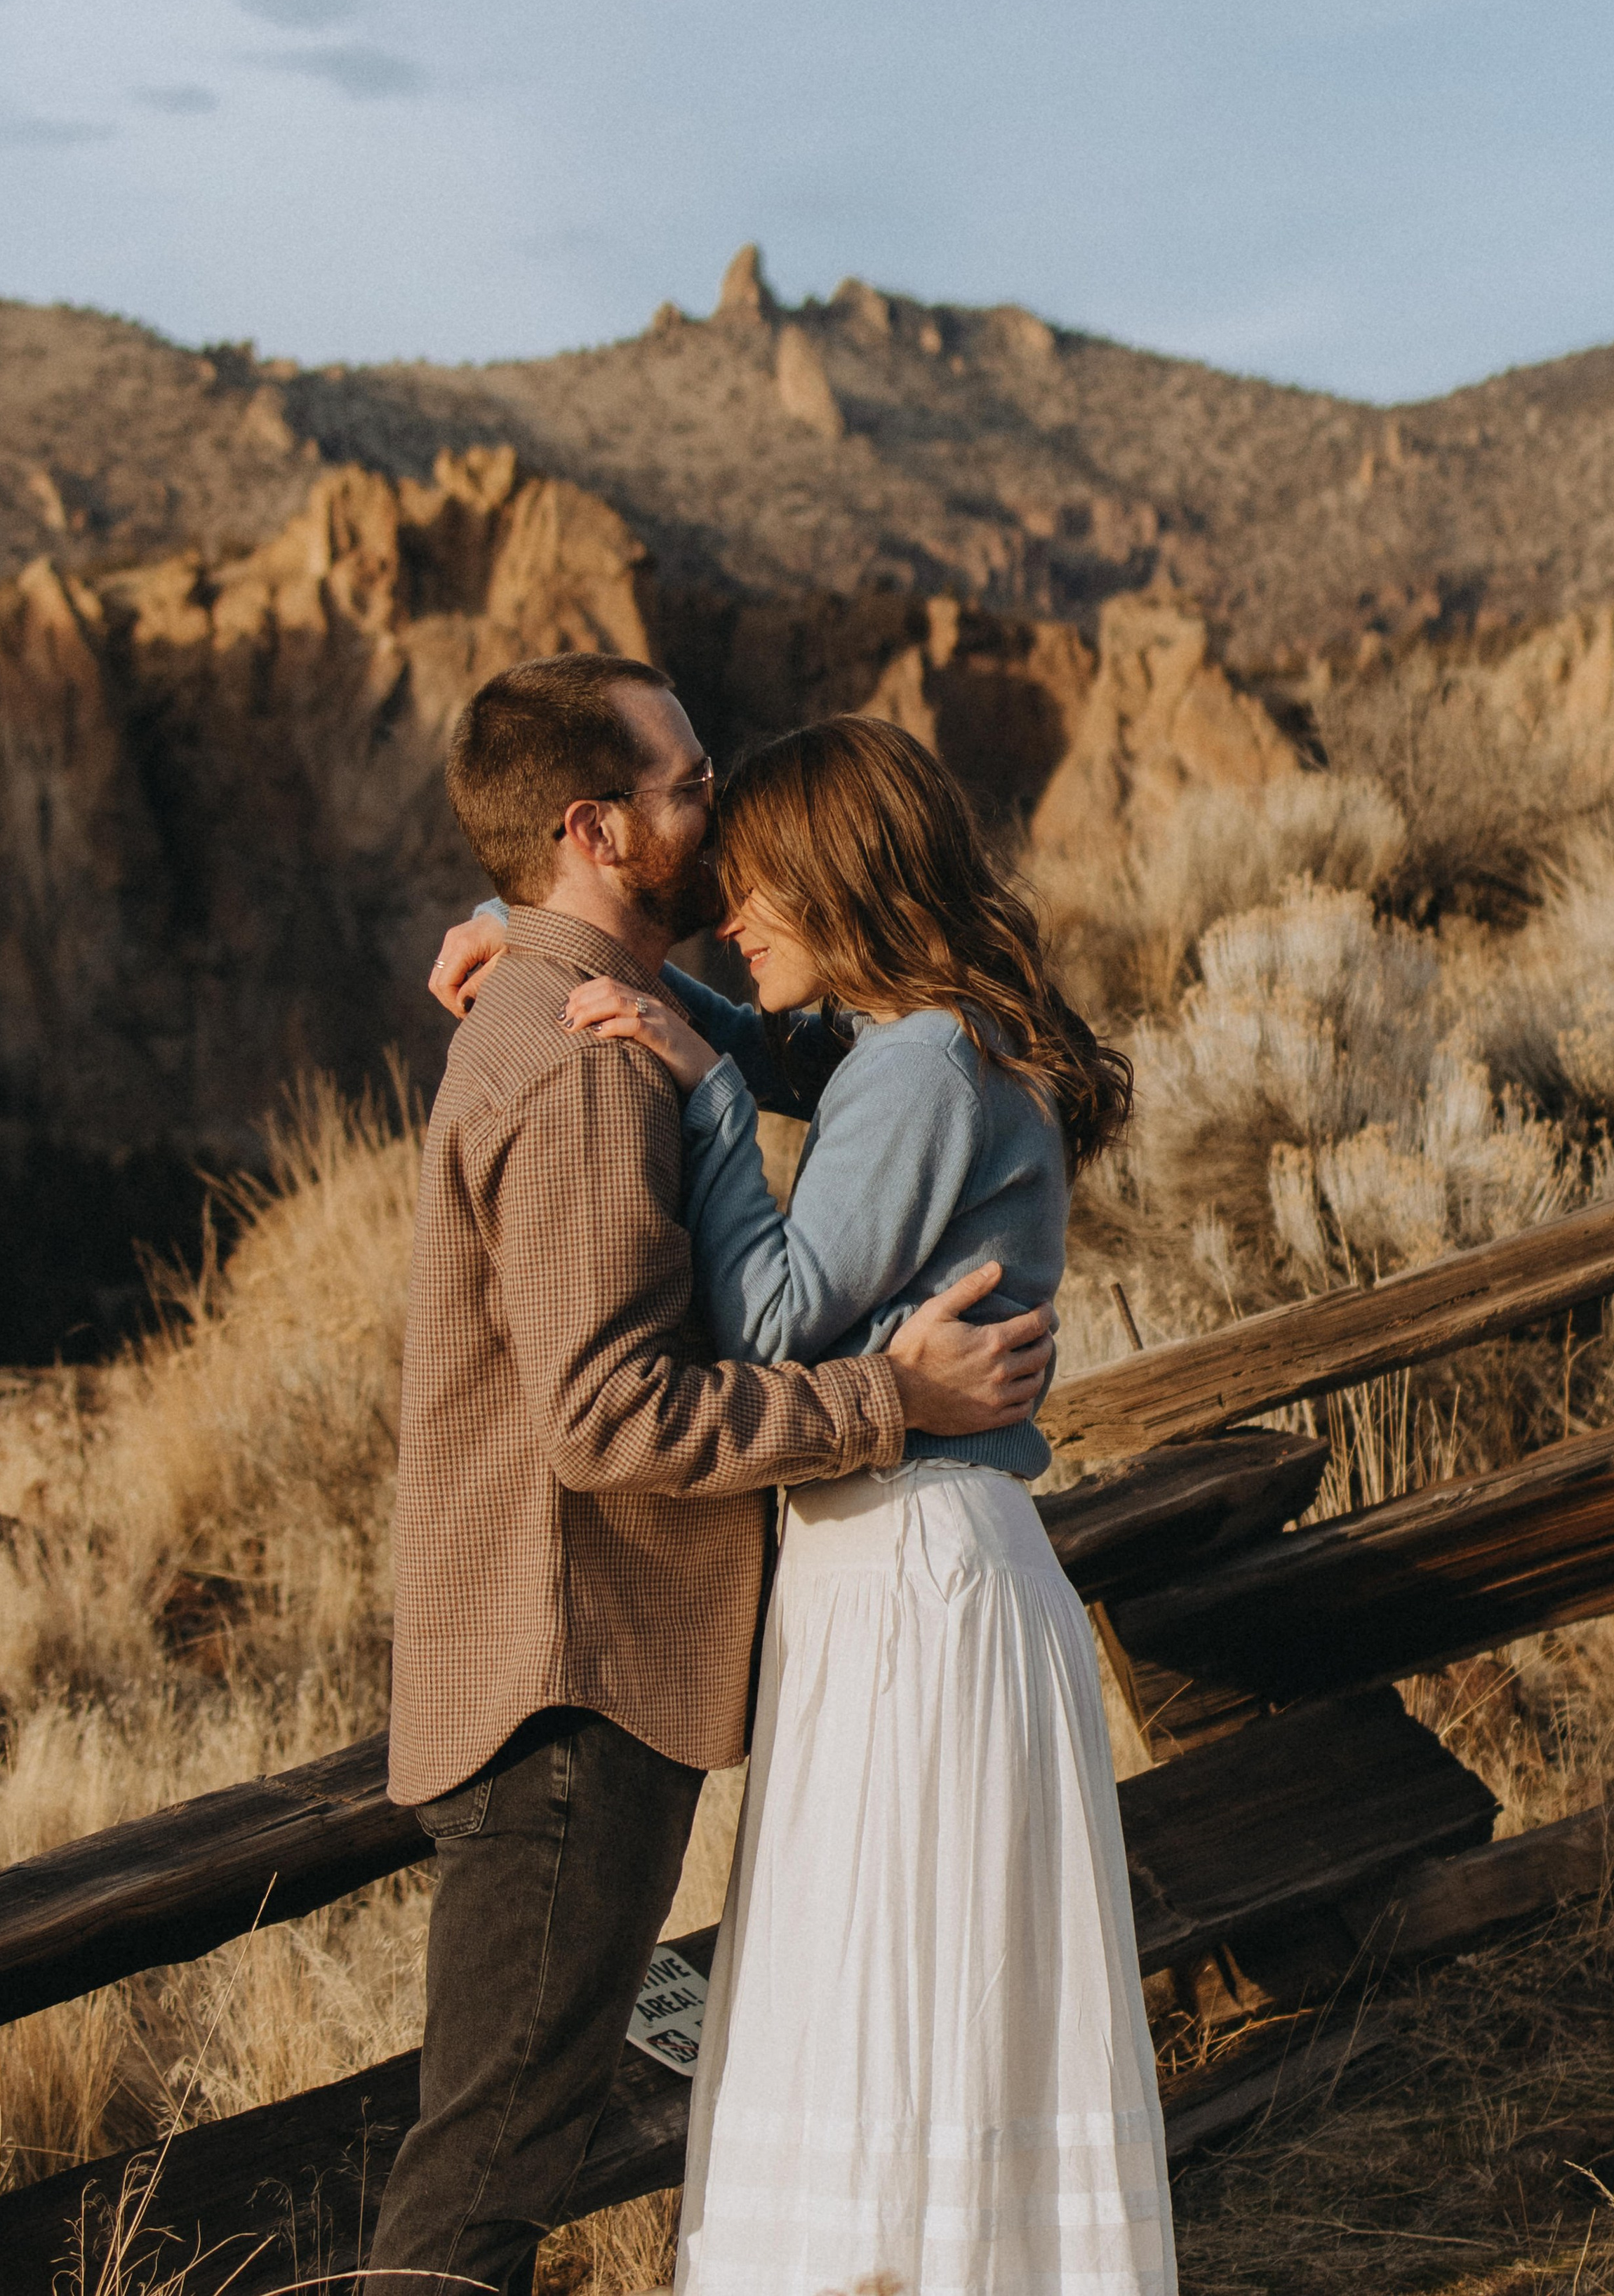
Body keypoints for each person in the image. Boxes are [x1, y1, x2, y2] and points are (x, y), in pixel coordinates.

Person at [368, 654, 1058, 2296]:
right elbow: (609, 1416)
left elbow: (851, 1054)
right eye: (686, 780)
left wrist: (536, 932)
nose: (717, 798)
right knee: (483, 2176)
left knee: (493, 2147)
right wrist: (884, 1396)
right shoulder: (591, 1062)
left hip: (575, 1670)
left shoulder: (576, 1013)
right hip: (569, 1686)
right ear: (598, 827)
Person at [553, 714, 1178, 2296]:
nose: (729, 913)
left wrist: (696, 1095)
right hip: (925, 1559)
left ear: (841, 883)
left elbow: (766, 1320)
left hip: (906, 1565)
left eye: (758, 884)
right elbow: (775, 1041)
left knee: (889, 1985)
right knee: (930, 1985)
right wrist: (531, 940)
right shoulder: (936, 1035)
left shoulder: (917, 1066)